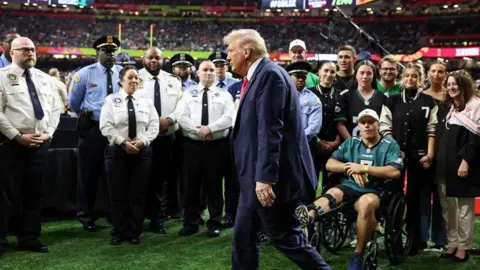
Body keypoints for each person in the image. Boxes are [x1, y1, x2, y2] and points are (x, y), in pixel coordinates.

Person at [224, 29, 331, 270]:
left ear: (246, 52)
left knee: (285, 237)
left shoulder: (269, 75)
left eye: (231, 50)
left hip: (270, 180)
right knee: (243, 238)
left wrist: (265, 178)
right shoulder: (262, 75)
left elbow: (271, 131)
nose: (228, 56)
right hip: (253, 178)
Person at [296, 109, 403, 270]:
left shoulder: (390, 144)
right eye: (363, 123)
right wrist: (348, 168)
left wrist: (363, 169)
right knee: (332, 193)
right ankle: (309, 218)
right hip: (349, 186)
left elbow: (394, 171)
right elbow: (330, 164)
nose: (367, 126)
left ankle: (358, 254)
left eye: (370, 122)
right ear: (359, 125)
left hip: (374, 190)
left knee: (366, 204)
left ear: (378, 124)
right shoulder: (352, 142)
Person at [0, 37, 61, 255]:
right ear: (12, 53)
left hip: (40, 144)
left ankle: (29, 237)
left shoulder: (45, 79)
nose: (30, 53)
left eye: (33, 50)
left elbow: (55, 111)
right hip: (11, 145)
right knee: (5, 195)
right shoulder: (2, 77)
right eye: (25, 50)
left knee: (35, 194)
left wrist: (49, 134)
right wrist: (17, 136)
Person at [379, 62, 438, 255]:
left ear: (420, 79)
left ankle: (415, 241)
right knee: (394, 197)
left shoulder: (429, 101)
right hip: (396, 158)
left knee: (416, 200)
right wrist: (395, 151)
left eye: (414, 76)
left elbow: (432, 130)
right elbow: (384, 128)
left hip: (420, 160)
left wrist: (429, 154)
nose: (410, 79)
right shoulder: (392, 100)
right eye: (407, 76)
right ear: (402, 79)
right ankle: (394, 240)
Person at [69, 36, 123, 232]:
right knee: (88, 176)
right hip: (92, 129)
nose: (111, 55)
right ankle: (86, 217)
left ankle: (113, 214)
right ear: (97, 53)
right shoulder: (83, 75)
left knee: (115, 174)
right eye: (106, 51)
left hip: (117, 130)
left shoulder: (123, 74)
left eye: (113, 51)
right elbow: (74, 103)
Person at [100, 65, 159, 245]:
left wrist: (143, 142)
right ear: (121, 81)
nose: (134, 81)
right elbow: (105, 126)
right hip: (117, 152)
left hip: (142, 152)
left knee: (137, 194)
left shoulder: (146, 101)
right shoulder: (111, 100)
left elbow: (154, 125)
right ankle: (118, 231)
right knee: (117, 194)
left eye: (136, 78)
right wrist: (122, 142)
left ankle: (134, 232)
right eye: (130, 78)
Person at [176, 61, 234, 238]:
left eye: (211, 70)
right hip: (193, 146)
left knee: (215, 185)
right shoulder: (187, 94)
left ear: (215, 73)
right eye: (205, 70)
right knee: (191, 185)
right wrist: (198, 130)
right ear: (198, 73)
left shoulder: (224, 95)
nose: (208, 73)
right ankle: (190, 222)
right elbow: (181, 116)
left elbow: (229, 117)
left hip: (216, 146)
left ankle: (214, 222)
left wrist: (211, 128)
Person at [436, 70, 480, 262]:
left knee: (464, 209)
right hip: (445, 165)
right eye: (449, 84)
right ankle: (452, 243)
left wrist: (466, 161)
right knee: (449, 208)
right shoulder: (449, 107)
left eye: (456, 84)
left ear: (464, 86)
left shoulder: (476, 106)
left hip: (463, 165)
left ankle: (463, 247)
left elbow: (475, 139)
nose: (451, 88)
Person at [139, 47, 182, 234]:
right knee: (140, 179)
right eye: (150, 57)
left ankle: (158, 219)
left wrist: (170, 120)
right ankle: (137, 217)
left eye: (157, 57)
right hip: (142, 137)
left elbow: (181, 106)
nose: (154, 60)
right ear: (143, 59)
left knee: (161, 180)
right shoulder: (134, 77)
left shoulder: (173, 80)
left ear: (163, 60)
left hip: (166, 137)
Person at [422, 60, 448, 252]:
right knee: (423, 196)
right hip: (425, 152)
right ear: (428, 73)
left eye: (441, 72)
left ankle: (440, 239)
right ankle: (422, 238)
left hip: (446, 153)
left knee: (441, 198)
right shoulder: (421, 96)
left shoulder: (452, 96)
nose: (437, 75)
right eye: (433, 71)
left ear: (445, 74)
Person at [309, 61, 341, 190]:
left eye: (332, 72)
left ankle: (329, 209)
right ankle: (309, 208)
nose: (329, 74)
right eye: (326, 70)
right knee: (311, 181)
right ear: (319, 73)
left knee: (332, 182)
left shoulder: (341, 95)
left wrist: (337, 141)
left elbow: (344, 121)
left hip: (335, 145)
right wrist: (318, 142)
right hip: (313, 145)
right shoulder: (309, 93)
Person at [335, 60, 386, 140]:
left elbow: (385, 126)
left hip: (376, 147)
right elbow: (340, 124)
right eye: (362, 73)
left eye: (369, 73)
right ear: (356, 75)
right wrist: (352, 143)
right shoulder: (345, 95)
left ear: (374, 76)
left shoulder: (383, 97)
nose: (365, 76)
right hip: (351, 146)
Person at [284, 61, 322, 153]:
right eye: (297, 76)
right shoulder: (279, 95)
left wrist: (295, 140)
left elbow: (314, 127)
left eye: (303, 77)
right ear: (289, 77)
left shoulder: (313, 99)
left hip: (303, 147)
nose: (301, 79)